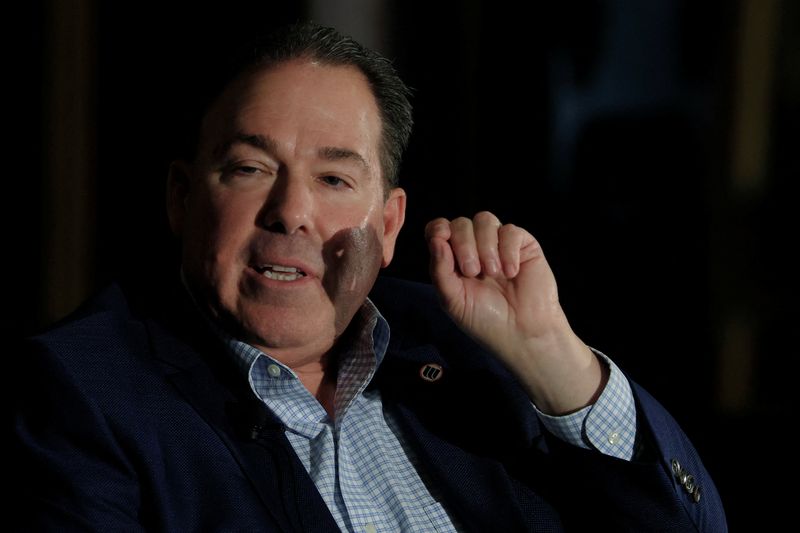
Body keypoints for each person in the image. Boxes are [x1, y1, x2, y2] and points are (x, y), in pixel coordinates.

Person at [11, 22, 727, 532]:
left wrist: (555, 361)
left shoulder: (468, 344)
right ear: (181, 196)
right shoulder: (82, 389)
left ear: (388, 227)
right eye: (252, 168)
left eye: (333, 177)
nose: (292, 212)